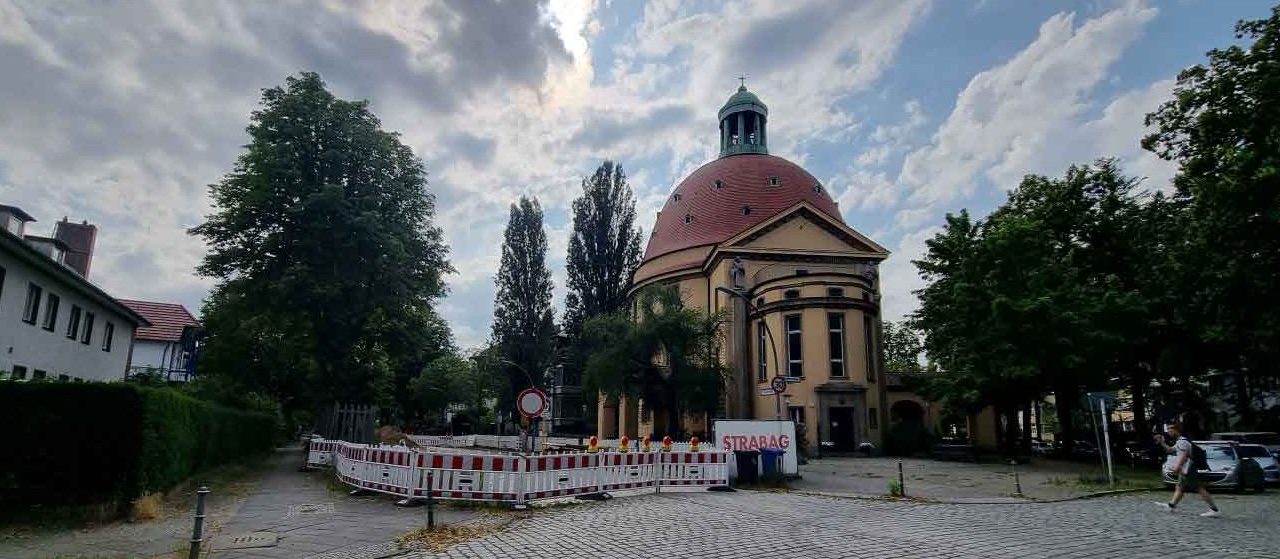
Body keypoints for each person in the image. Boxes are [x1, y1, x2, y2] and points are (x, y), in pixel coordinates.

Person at [1153, 422, 1220, 517]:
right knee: (1180, 487)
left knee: (1199, 488)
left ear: (1176, 430)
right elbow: (1170, 450)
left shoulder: (1182, 442)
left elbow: (1183, 456)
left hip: (1188, 469)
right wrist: (1162, 443)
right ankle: (1171, 505)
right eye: (1167, 430)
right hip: (1186, 468)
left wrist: (1176, 467)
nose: (1168, 432)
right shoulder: (1180, 441)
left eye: (1170, 430)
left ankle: (1214, 509)